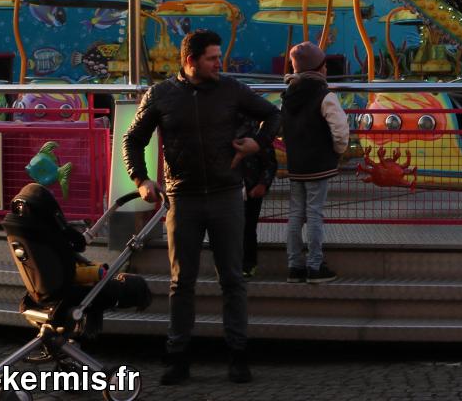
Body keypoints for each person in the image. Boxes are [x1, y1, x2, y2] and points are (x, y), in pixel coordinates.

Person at [124, 29, 280, 387]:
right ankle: (178, 357)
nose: (218, 63)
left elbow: (273, 115)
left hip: (227, 195)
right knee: (182, 282)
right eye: (212, 58)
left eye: (218, 57)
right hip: (183, 199)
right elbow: (133, 139)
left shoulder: (231, 89)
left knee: (233, 279)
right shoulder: (161, 94)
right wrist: (141, 179)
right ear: (190, 60)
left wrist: (258, 144)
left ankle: (238, 356)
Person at [282, 41, 348, 284]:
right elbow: (340, 130)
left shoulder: (288, 95)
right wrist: (338, 151)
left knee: (295, 214)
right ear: (319, 69)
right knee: (314, 214)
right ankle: (315, 264)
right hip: (319, 164)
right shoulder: (325, 95)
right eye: (324, 65)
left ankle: (294, 266)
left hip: (296, 163)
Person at [235, 113, 277, 280]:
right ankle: (238, 264)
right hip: (234, 189)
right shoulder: (256, 135)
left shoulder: (257, 137)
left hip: (250, 189)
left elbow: (270, 163)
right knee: (237, 228)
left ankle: (246, 264)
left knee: (247, 227)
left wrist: (262, 184)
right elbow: (270, 163)